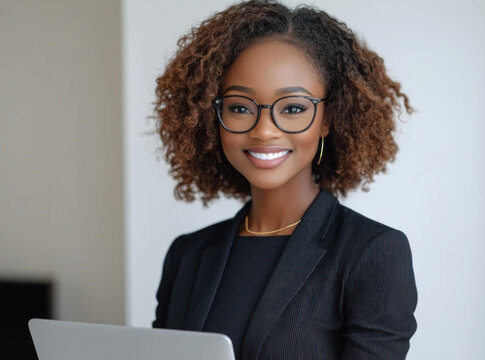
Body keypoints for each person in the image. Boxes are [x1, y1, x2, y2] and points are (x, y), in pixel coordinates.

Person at [151, 1, 417, 359]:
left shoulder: (372, 253)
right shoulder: (187, 255)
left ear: (327, 119)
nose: (263, 130)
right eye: (240, 107)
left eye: (293, 109)